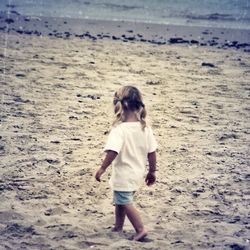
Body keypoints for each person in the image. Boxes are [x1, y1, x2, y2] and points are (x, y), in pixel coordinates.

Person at [95, 85, 157, 241]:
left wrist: (102, 168)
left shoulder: (120, 130)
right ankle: (118, 226)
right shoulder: (145, 128)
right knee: (120, 201)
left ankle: (140, 229)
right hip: (137, 173)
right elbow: (152, 152)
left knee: (124, 201)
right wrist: (152, 172)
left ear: (121, 106)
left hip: (123, 174)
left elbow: (113, 151)